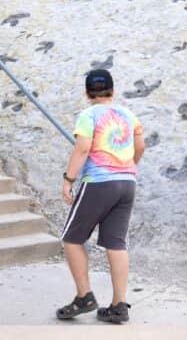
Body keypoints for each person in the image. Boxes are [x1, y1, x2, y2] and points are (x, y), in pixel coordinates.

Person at [56, 68, 144, 324]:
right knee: (116, 243)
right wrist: (130, 166)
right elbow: (140, 146)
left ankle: (84, 297)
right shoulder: (129, 115)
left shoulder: (88, 115)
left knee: (71, 238)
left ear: (87, 93)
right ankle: (118, 305)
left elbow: (83, 148)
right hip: (127, 183)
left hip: (99, 183)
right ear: (113, 91)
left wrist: (68, 179)